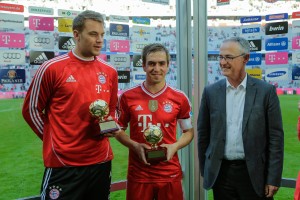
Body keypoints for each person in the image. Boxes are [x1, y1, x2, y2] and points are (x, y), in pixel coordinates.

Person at [22, 10, 118, 200]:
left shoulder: (110, 72)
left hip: (100, 161)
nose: (99, 40)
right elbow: (30, 110)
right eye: (93, 34)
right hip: (64, 164)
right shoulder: (51, 68)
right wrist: (53, 138)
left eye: (102, 35)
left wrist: (110, 125)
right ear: (76, 34)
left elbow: (112, 110)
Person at [197, 36, 284, 200]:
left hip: (254, 176)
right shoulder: (211, 92)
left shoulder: (266, 92)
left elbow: (276, 139)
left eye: (229, 57)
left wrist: (273, 178)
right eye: (220, 57)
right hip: (221, 175)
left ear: (246, 58)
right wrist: (206, 170)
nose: (223, 62)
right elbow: (203, 135)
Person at [115, 43, 194, 200]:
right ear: (143, 65)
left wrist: (175, 146)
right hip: (139, 174)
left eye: (161, 63)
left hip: (169, 173)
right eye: (151, 63)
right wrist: (135, 145)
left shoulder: (179, 98)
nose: (156, 68)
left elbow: (189, 132)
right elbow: (118, 129)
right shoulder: (127, 97)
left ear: (168, 66)